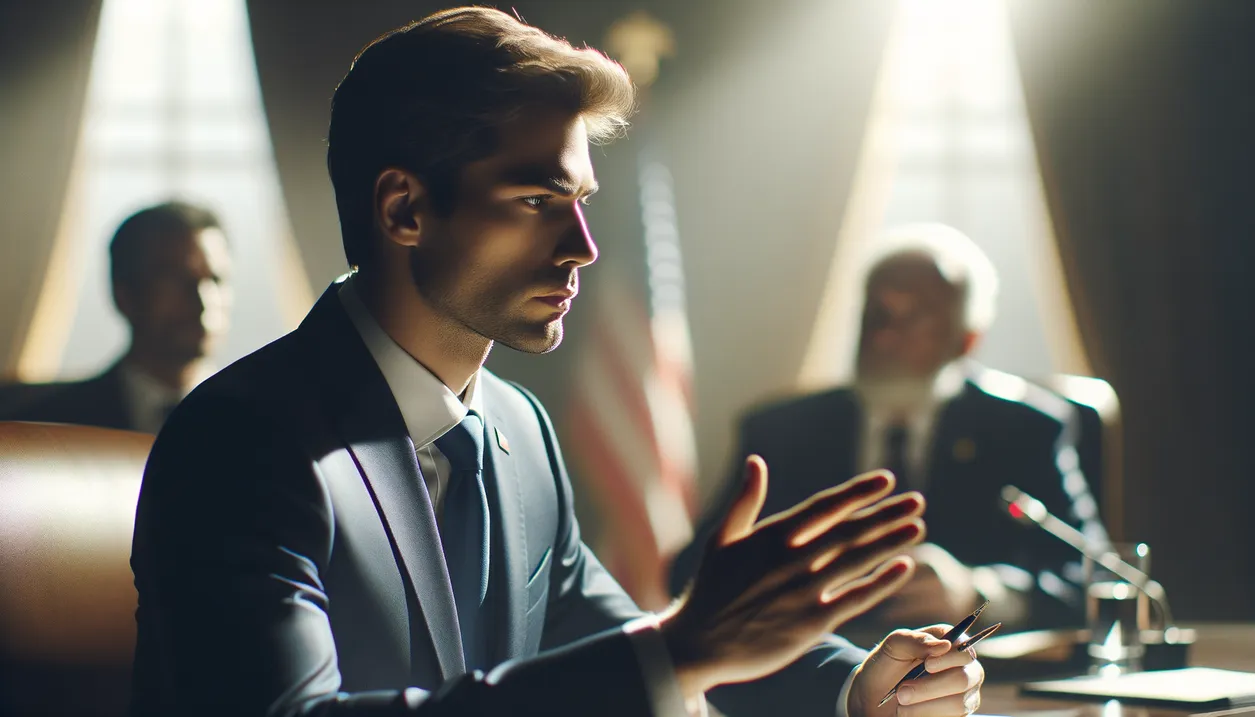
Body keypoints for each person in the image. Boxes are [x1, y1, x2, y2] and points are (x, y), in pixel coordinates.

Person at [129, 10, 985, 717]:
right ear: (403, 208)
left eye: (578, 204)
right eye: (538, 202)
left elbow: (613, 634)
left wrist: (851, 684)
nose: (581, 247)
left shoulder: (516, 428)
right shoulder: (241, 440)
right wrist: (678, 650)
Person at [673, 223, 1109, 632]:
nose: (884, 336)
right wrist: (784, 579)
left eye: (914, 318)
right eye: (877, 313)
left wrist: (978, 593)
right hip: (817, 668)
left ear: (966, 339)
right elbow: (689, 571)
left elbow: (1098, 577)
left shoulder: (1025, 430)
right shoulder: (781, 431)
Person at [1, 201, 231, 434]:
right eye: (174, 280)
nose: (203, 300)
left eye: (216, 280)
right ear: (125, 295)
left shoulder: (261, 418)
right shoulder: (44, 425)